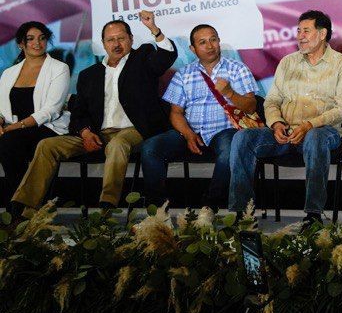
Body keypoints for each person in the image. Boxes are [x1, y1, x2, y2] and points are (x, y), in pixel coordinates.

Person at [9, 12, 176, 215]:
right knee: (47, 145)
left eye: (121, 38)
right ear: (103, 44)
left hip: (133, 130)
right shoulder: (89, 75)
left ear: (131, 39)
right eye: (110, 40)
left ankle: (107, 207)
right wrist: (86, 133)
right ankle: (23, 206)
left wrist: (154, 30)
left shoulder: (143, 59)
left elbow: (166, 56)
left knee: (117, 144)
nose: (116, 44)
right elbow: (79, 112)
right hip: (97, 133)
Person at [228, 10, 342, 225]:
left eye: (306, 30)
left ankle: (313, 215)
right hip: (286, 132)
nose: (300, 36)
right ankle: (243, 213)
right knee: (243, 138)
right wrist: (276, 123)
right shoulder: (288, 62)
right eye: (298, 31)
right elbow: (272, 101)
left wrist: (309, 125)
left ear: (322, 34)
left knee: (315, 137)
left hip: (324, 132)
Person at [140, 24, 261, 208]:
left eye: (213, 39)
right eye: (203, 42)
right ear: (193, 49)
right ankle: (158, 210)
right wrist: (188, 134)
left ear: (219, 41)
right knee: (150, 147)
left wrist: (230, 93)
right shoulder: (184, 73)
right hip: (190, 131)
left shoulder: (237, 68)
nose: (210, 45)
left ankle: (209, 207)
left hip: (225, 131)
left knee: (230, 149)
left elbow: (251, 106)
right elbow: (176, 113)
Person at [0, 21, 71, 204]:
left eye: (42, 38)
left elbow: (52, 110)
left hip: (47, 127)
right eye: (30, 39)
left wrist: (17, 126)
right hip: (13, 129)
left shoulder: (59, 68)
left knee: (9, 143)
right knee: (8, 142)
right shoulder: (9, 72)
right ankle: (19, 208)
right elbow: (1, 107)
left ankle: (20, 208)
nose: (37, 43)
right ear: (21, 44)